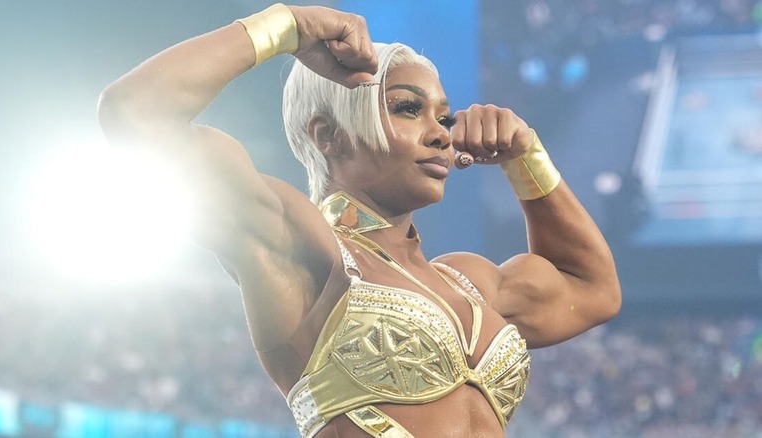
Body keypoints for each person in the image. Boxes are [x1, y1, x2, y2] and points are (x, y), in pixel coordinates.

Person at [97, 3, 622, 437]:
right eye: (407, 108)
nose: (441, 133)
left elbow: (592, 290)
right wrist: (285, 27)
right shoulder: (305, 248)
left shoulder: (468, 282)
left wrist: (526, 157)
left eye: (443, 116)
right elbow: (136, 111)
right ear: (329, 136)